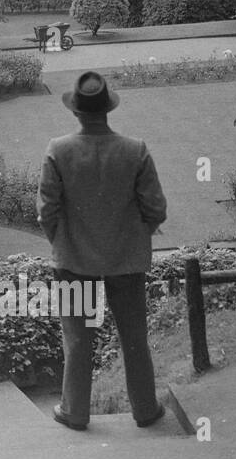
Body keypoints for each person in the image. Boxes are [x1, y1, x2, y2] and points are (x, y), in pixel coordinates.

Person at [36, 71, 168, 431]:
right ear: (107, 109)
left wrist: (64, 243)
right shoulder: (135, 150)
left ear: (77, 112)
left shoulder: (58, 150)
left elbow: (46, 212)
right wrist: (133, 237)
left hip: (74, 263)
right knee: (134, 339)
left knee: (77, 340)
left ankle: (74, 412)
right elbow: (156, 209)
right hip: (126, 263)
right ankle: (145, 410)